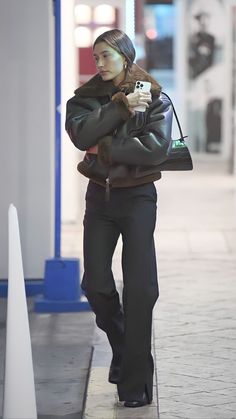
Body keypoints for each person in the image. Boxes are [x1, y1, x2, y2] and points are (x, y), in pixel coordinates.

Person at [65, 29, 173, 408]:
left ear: (125, 56)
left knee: (142, 289)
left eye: (107, 56)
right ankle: (127, 348)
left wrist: (105, 146)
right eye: (96, 57)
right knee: (95, 285)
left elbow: (155, 150)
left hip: (139, 197)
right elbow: (81, 135)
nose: (100, 63)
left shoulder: (156, 95)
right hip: (100, 199)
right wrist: (120, 107)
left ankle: (135, 384)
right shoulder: (84, 99)